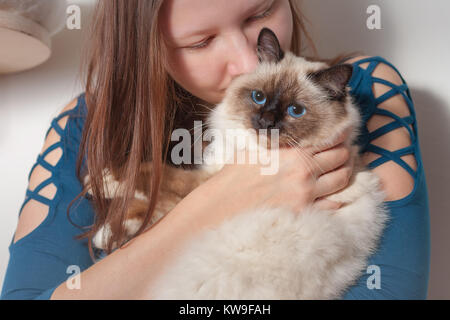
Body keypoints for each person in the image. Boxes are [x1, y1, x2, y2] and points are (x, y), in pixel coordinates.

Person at [1, 0, 430, 299]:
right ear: (146, 44)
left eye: (260, 13)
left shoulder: (366, 92)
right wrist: (220, 198)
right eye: (201, 41)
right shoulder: (87, 128)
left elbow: (388, 291)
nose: (247, 62)